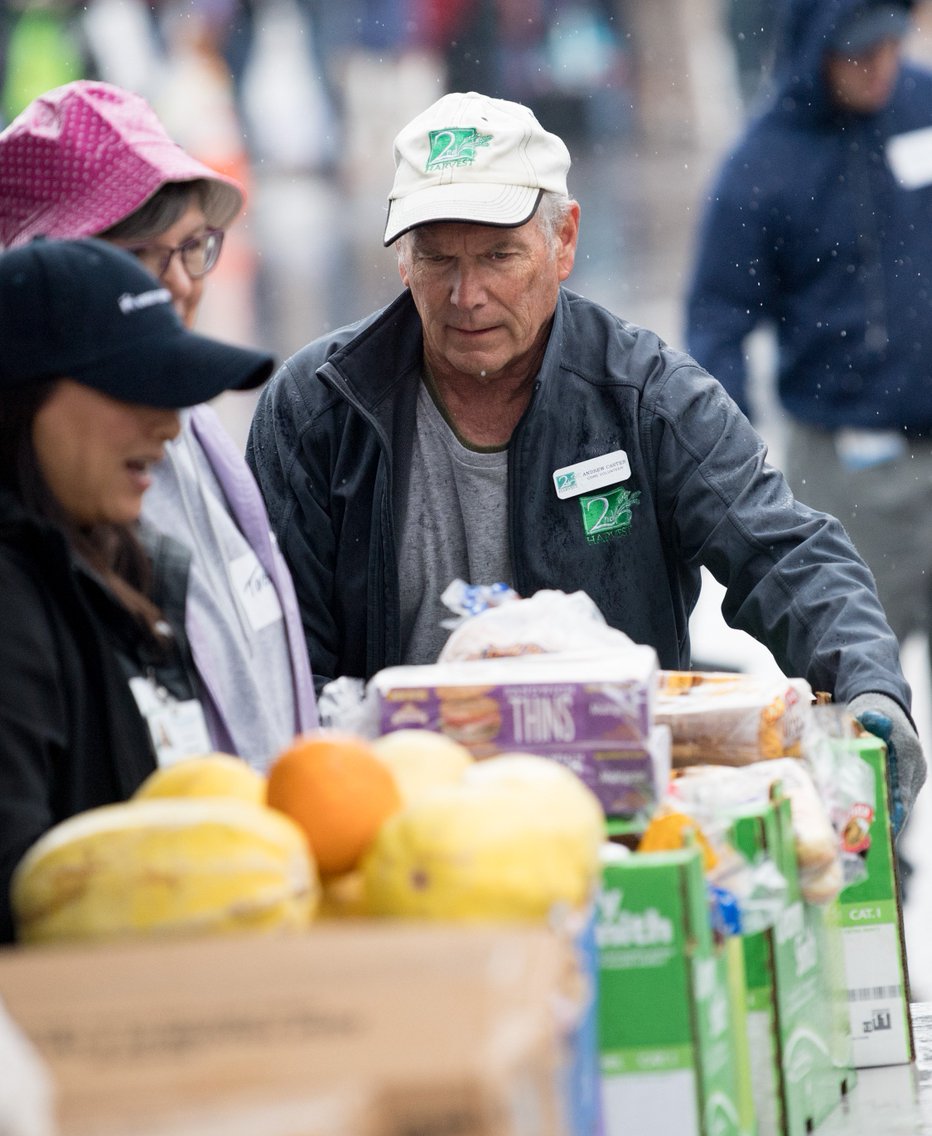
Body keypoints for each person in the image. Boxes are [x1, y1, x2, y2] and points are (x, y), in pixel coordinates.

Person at [246, 88, 926, 835]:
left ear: (564, 241)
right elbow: (274, 656)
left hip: (611, 819)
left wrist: (870, 690)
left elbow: (783, 551)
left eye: (500, 255)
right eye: (438, 258)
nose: (466, 295)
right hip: (387, 824)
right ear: (402, 258)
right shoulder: (317, 412)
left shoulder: (643, 397)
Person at [0, 80, 318, 772]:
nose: (177, 283)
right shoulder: (57, 488)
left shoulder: (195, 426)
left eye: (193, 246)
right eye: (140, 255)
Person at [0, 237, 275, 941]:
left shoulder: (130, 571)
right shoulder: (14, 603)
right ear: (24, 399)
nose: (169, 426)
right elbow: (27, 900)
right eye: (132, 388)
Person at [685, 0, 932, 695]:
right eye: (859, 51)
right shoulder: (763, 164)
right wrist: (721, 464)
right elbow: (717, 321)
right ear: (815, 47)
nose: (880, 66)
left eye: (889, 45)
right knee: (855, 698)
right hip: (846, 474)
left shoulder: (924, 107)